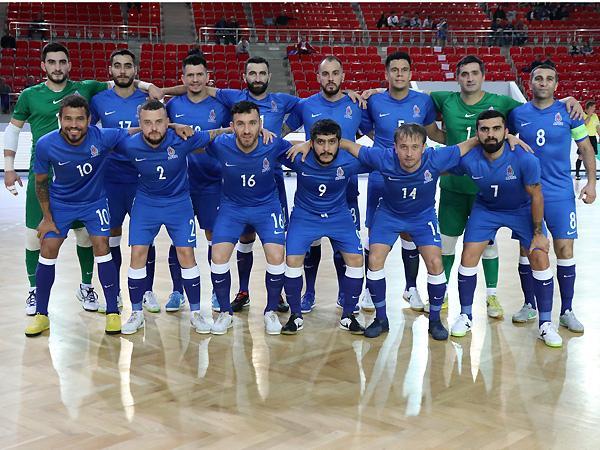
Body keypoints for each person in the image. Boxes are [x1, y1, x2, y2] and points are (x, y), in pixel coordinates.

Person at [428, 55, 583, 318]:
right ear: (457, 77)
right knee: (447, 244)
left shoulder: (502, 102)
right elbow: (413, 102)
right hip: (455, 185)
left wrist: (568, 100)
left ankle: (493, 297)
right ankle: (442, 294)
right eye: (464, 74)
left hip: (491, 190)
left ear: (483, 76)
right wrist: (375, 92)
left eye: (474, 73)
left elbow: (537, 108)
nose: (469, 78)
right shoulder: (445, 99)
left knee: (490, 246)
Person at [329, 124, 482, 340]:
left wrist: (509, 138)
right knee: (374, 259)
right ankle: (381, 319)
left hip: (422, 217)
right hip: (389, 215)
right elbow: (349, 145)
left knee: (435, 263)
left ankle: (435, 320)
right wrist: (310, 143)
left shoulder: (435, 157)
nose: (409, 153)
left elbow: (469, 143)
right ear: (394, 147)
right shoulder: (383, 157)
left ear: (424, 147)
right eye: (403, 147)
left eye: (414, 147)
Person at [448, 110, 563, 347]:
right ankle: (465, 316)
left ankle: (545, 324)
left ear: (506, 132)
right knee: (468, 255)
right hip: (486, 209)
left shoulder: (524, 159)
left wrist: (538, 234)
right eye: (484, 129)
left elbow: (537, 195)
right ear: (477, 133)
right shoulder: (469, 158)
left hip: (521, 209)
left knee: (539, 256)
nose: (490, 134)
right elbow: (438, 162)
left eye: (496, 129)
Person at [117, 100, 230, 335]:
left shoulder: (182, 139)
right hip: (146, 204)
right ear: (139, 124)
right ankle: (136, 313)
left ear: (168, 122)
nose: (153, 128)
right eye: (147, 123)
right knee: (137, 254)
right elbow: (97, 137)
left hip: (179, 204)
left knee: (186, 254)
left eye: (159, 122)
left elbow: (213, 134)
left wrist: (237, 128)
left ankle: (196, 313)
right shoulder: (129, 144)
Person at [25, 95, 131, 337]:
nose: (74, 125)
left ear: (89, 120)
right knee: (48, 248)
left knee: (102, 245)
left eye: (80, 119)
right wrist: (47, 217)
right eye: (68, 119)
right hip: (61, 203)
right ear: (60, 119)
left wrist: (172, 126)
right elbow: (40, 182)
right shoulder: (45, 144)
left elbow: (137, 131)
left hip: (94, 202)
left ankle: (112, 312)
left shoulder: (102, 137)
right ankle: (41, 315)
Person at [508, 63, 596, 332]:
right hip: (527, 193)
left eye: (548, 79)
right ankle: (529, 304)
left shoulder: (570, 112)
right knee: (528, 249)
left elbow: (585, 148)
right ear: (530, 83)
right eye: (538, 78)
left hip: (560, 194)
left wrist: (591, 183)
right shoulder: (517, 114)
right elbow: (502, 138)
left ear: (556, 84)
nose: (543, 82)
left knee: (565, 250)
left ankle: (567, 310)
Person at [360, 51, 445, 312]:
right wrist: (386, 152)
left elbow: (432, 133)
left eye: (404, 69)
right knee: (374, 233)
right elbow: (365, 129)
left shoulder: (423, 101)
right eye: (394, 69)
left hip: (415, 176)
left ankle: (411, 288)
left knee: (410, 231)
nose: (399, 74)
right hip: (381, 176)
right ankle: (369, 290)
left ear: (410, 73)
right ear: (386, 73)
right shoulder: (374, 100)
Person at [283, 55, 369, 315]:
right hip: (311, 188)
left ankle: (344, 293)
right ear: (318, 77)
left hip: (346, 187)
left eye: (335, 73)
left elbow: (378, 136)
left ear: (343, 76)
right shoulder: (305, 105)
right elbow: (282, 131)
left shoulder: (356, 105)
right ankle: (309, 292)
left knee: (344, 246)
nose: (330, 78)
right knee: (311, 244)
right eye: (325, 73)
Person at [203, 101, 290, 335]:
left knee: (276, 256)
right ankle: (225, 313)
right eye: (240, 124)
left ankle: (270, 311)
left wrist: (308, 144)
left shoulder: (272, 143)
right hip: (232, 208)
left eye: (252, 123)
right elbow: (193, 140)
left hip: (266, 207)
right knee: (218, 257)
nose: (247, 130)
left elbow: (298, 153)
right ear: (232, 126)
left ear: (260, 124)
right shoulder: (221, 143)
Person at [282, 119, 370, 335]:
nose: (326, 148)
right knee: (292, 261)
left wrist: (347, 144)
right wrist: (300, 143)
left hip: (338, 216)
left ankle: (348, 316)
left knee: (356, 260)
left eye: (332, 142)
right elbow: (271, 145)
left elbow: (380, 156)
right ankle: (295, 316)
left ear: (339, 142)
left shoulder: (349, 161)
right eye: (320, 142)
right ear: (312, 143)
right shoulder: (299, 157)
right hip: (305, 216)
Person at [164, 54, 230, 313]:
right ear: (182, 78)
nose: (194, 79)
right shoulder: (172, 105)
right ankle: (176, 291)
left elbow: (232, 133)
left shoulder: (220, 105)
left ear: (207, 77)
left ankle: (217, 292)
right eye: (189, 75)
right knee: (179, 238)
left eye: (199, 74)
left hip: (212, 181)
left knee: (215, 238)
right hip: (179, 183)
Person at [89, 49, 153, 313]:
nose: (123, 71)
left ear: (135, 70)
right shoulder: (98, 100)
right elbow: (88, 132)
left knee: (144, 236)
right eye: (118, 66)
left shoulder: (147, 99)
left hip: (141, 178)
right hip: (111, 178)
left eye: (128, 66)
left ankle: (147, 291)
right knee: (111, 235)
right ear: (110, 70)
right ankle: (113, 293)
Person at [577, 100, 600, 180]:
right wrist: (589, 115)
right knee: (581, 156)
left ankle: (591, 174)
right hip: (584, 137)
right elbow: (584, 124)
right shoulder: (582, 114)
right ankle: (577, 174)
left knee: (592, 157)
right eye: (593, 107)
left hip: (593, 137)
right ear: (589, 107)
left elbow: (597, 127)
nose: (595, 108)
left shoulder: (595, 116)